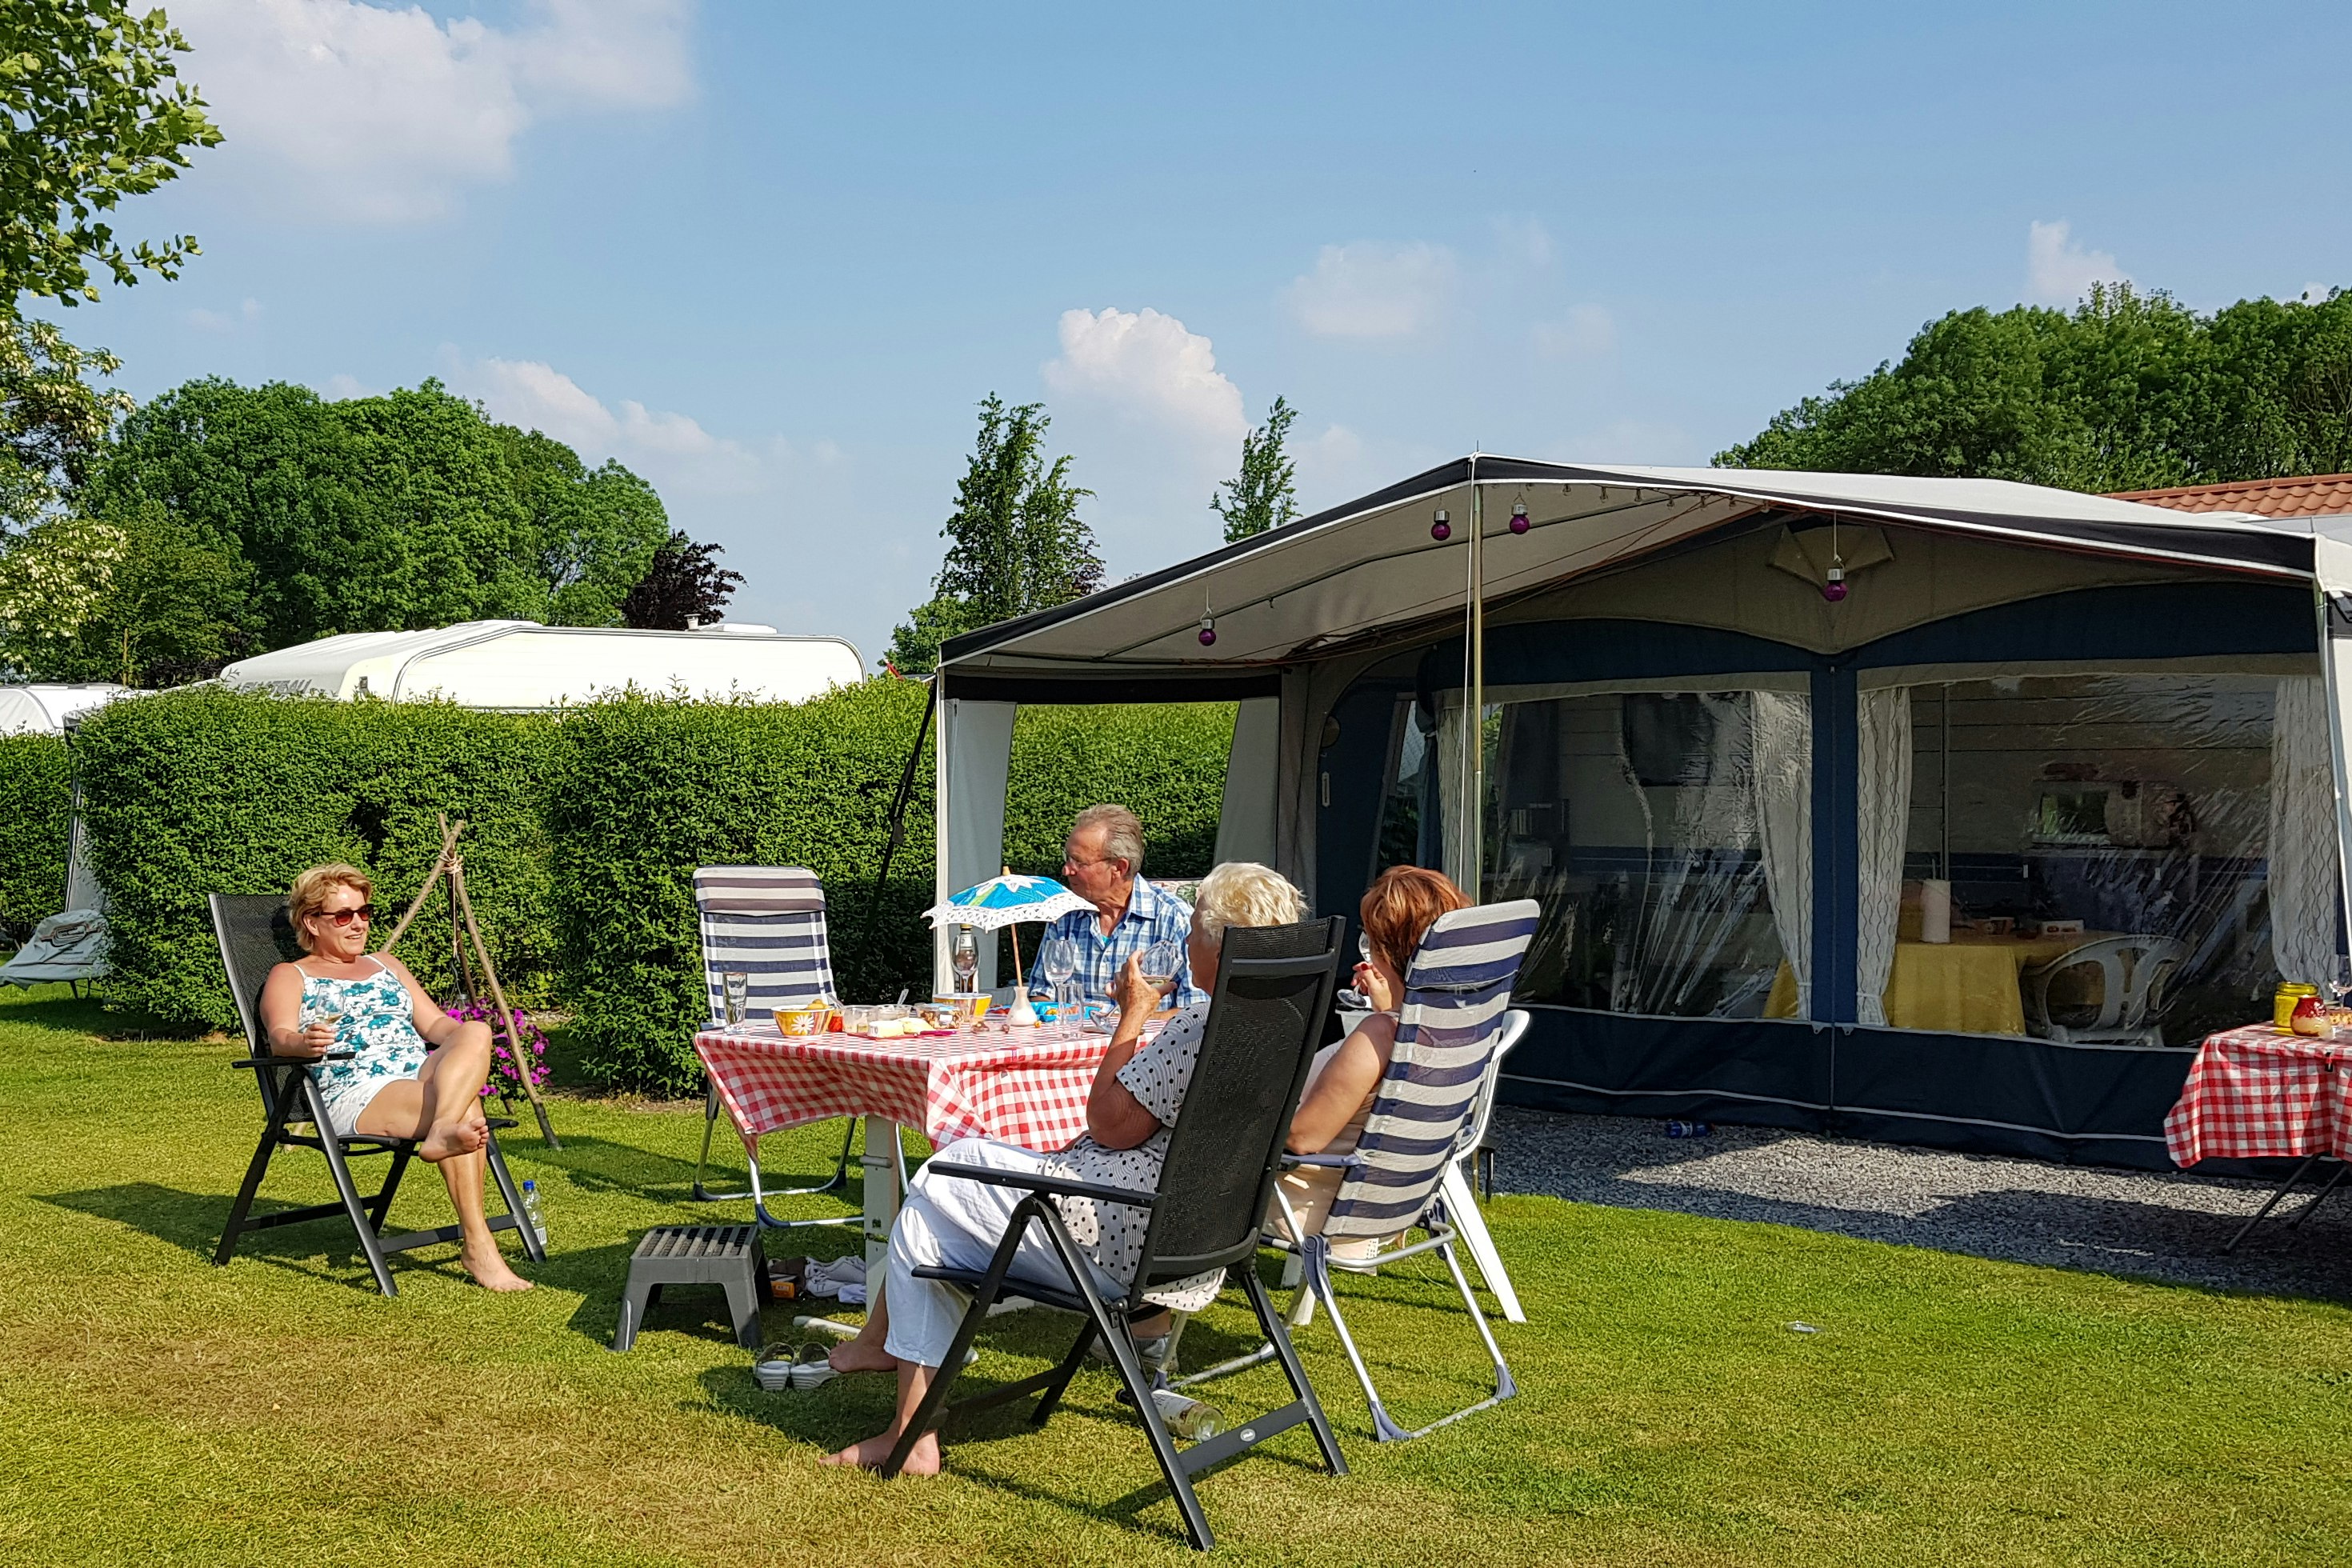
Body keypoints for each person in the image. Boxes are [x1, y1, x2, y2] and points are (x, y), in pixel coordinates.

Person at [822, 860, 1308, 1475]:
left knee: (940, 1175)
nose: (1185, 946)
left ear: (1222, 943)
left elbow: (1109, 1122)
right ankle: (902, 1412)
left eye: (1194, 936)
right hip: (1207, 1239)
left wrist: (1133, 1012)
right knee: (928, 1222)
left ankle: (904, 1417)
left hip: (1116, 1238)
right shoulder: (1278, 1026)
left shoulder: (1200, 1028)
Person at [256, 863, 533, 1293]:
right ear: (312, 922)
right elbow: (278, 1038)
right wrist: (303, 1042)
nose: (359, 923)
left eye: (364, 912)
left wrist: (469, 1042)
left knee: (474, 1031)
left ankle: (442, 1130)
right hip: (355, 1089)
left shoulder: (386, 964)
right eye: (344, 916)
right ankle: (479, 1245)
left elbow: (437, 1026)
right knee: (467, 1110)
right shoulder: (291, 975)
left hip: (415, 1073)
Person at [1270, 866, 1470, 1254]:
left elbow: (1302, 1139)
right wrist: (1389, 1007)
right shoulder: (1455, 1028)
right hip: (1403, 1201)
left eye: (1371, 936)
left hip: (1314, 1206)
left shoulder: (1379, 1036)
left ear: (1384, 946)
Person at [1026, 803, 1205, 1012]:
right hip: (1073, 1042)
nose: (1066, 870)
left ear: (1119, 868)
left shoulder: (1174, 918)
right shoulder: (1065, 915)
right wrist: (1058, 1013)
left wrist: (1124, 1024)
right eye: (1068, 858)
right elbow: (1041, 993)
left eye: (1079, 862)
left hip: (1145, 1044)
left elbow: (1196, 1011)